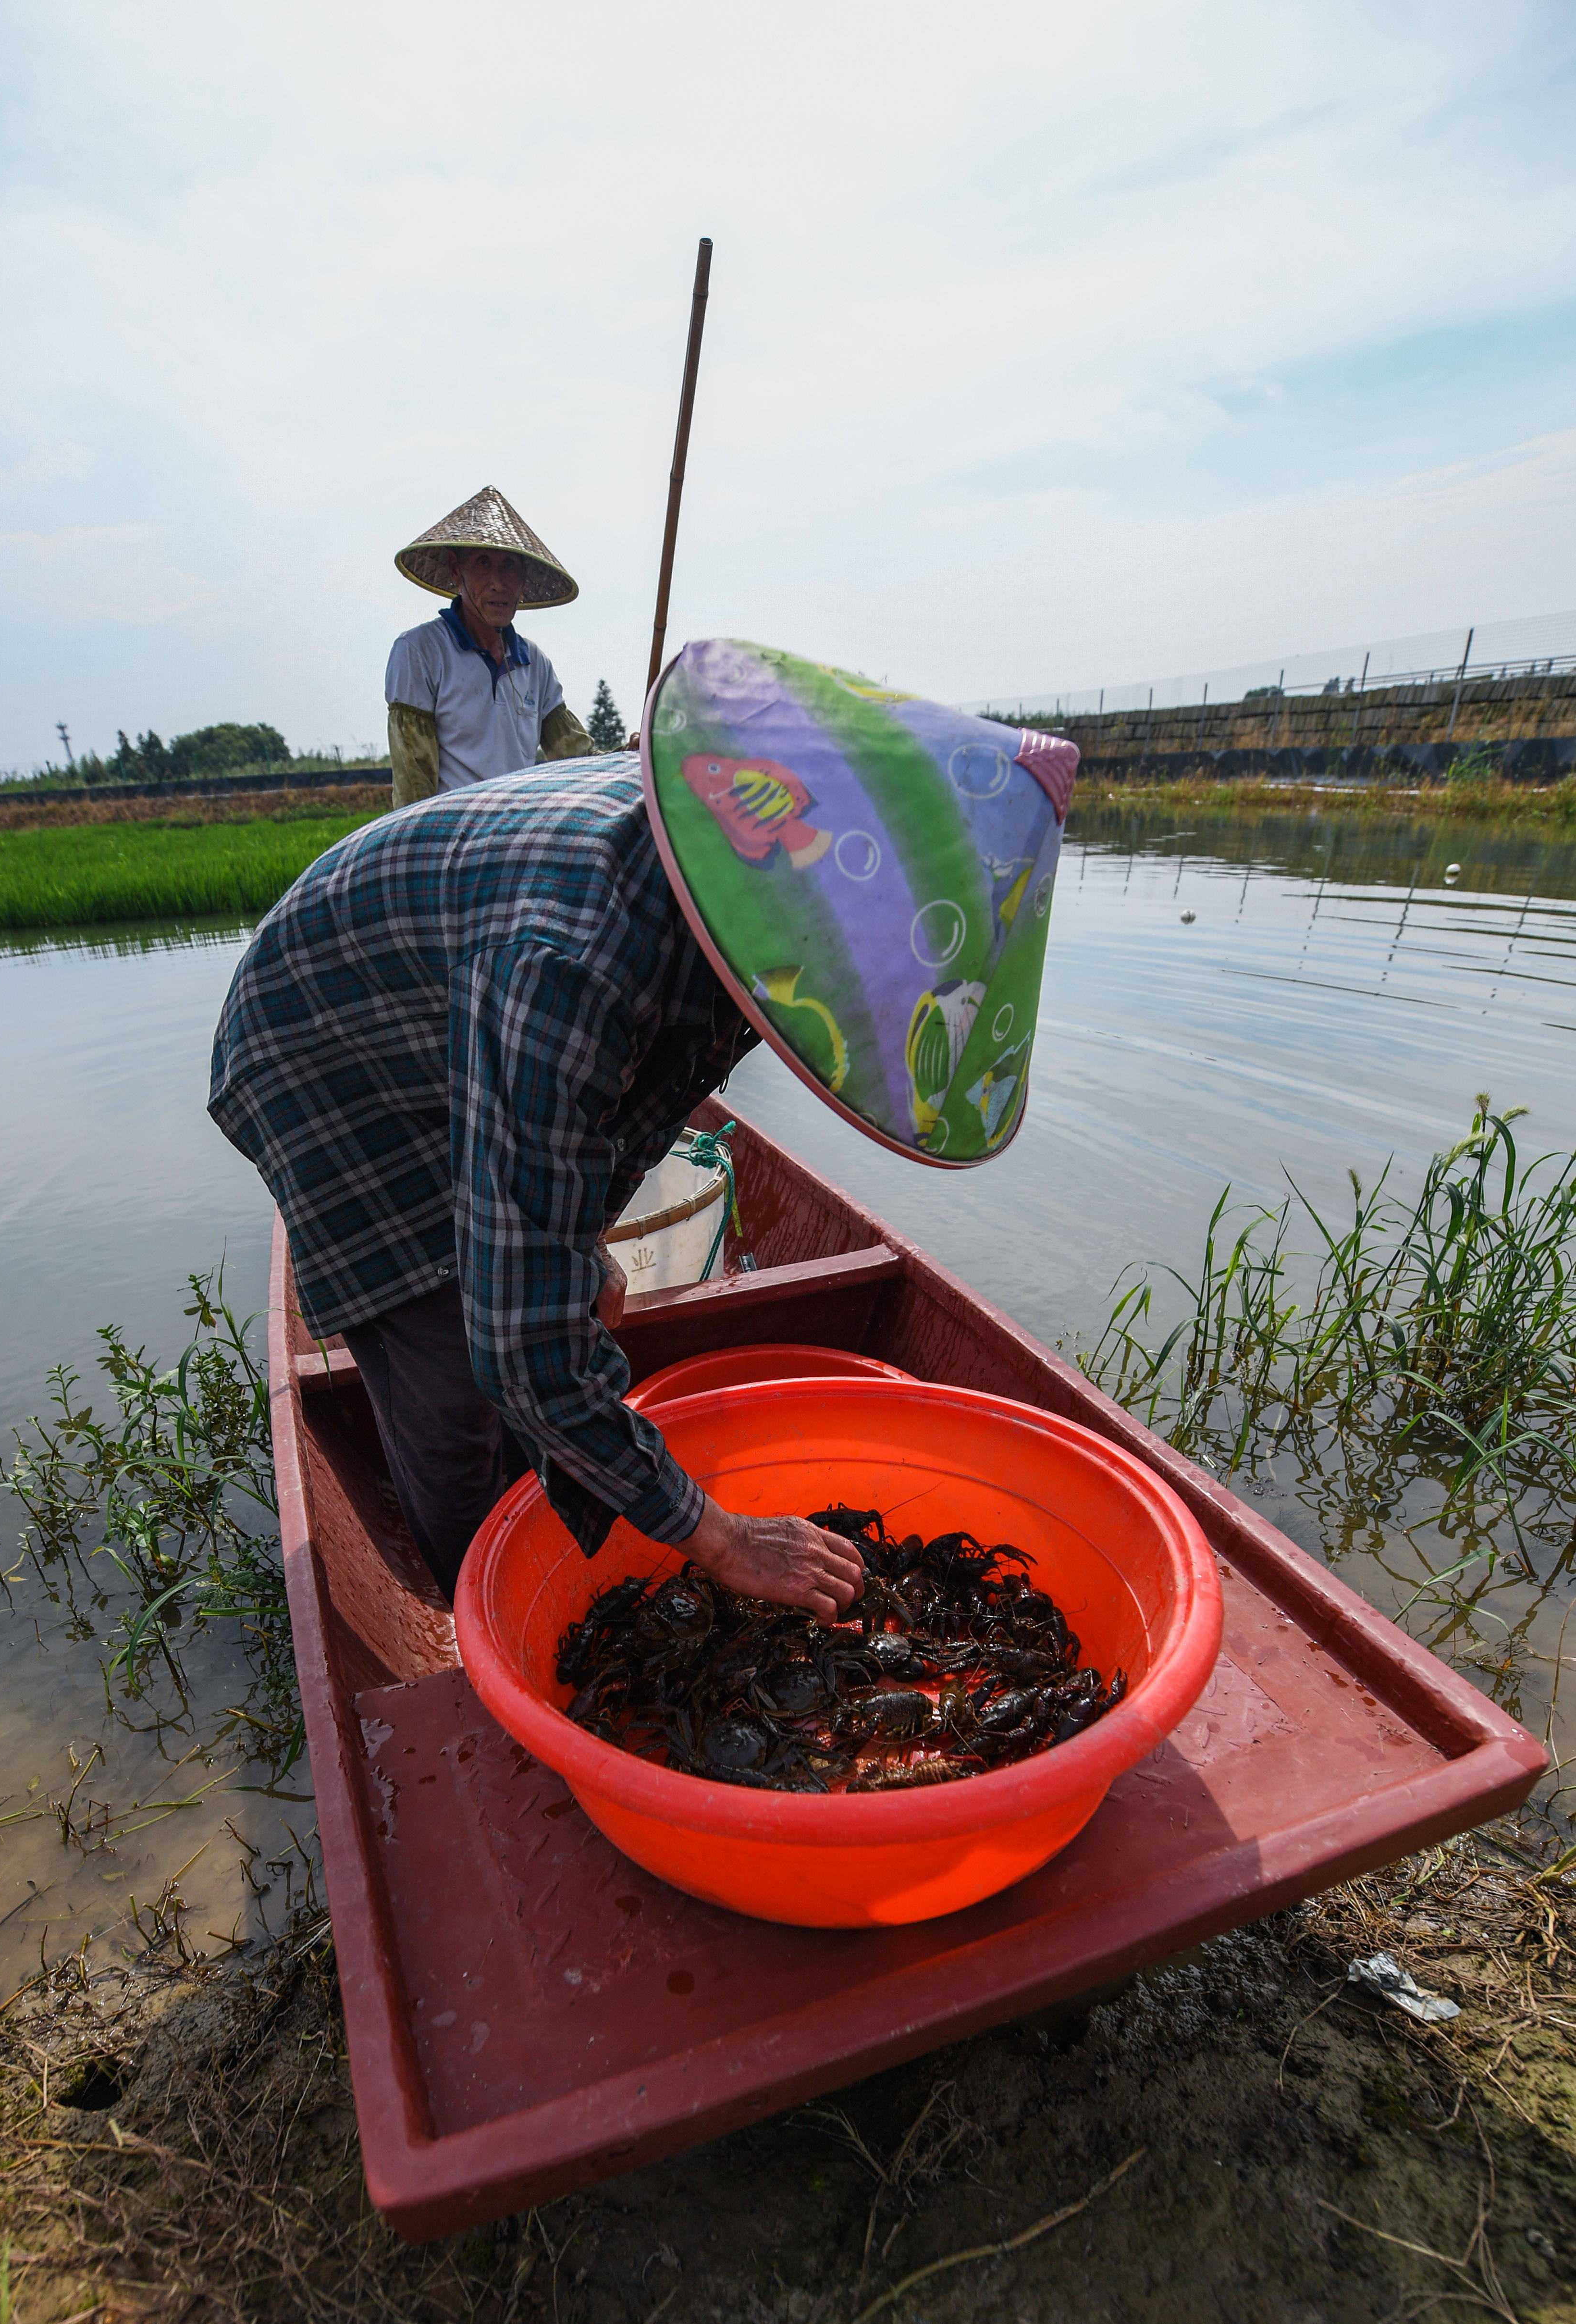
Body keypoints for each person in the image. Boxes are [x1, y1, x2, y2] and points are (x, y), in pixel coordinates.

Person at [209, 640, 1075, 1621]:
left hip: (463, 1002)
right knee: (453, 1364)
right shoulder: (573, 960)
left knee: (538, 1301)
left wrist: (570, 1247)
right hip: (324, 1058)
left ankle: (549, 1501)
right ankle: (477, 1610)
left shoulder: (751, 925)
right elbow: (515, 1342)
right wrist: (719, 1536)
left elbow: (628, 1103)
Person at [384, 485, 594, 808]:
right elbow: (414, 784)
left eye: (509, 566)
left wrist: (631, 757)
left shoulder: (534, 664)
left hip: (516, 832)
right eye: (483, 564)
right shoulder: (420, 651)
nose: (498, 582)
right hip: (453, 836)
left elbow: (577, 758)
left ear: (523, 576)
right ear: (457, 570)